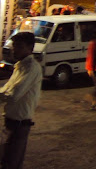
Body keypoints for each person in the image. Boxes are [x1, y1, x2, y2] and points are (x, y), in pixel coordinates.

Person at [0, 32, 41, 169]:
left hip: (19, 125)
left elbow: (13, 94)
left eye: (19, 46)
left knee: (11, 163)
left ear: (30, 47)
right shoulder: (20, 66)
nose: (14, 49)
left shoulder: (31, 67)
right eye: (14, 46)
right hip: (11, 123)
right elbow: (7, 89)